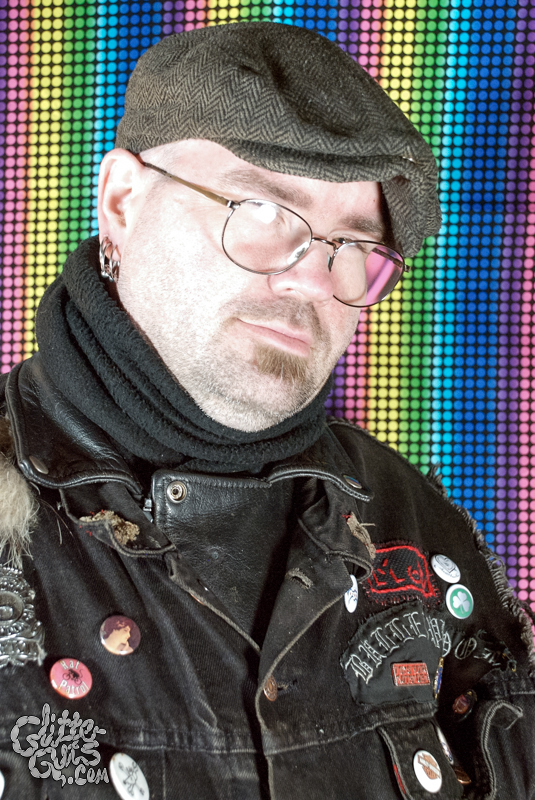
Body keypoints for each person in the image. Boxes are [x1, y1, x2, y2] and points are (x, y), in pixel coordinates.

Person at [0, 21, 533, 800]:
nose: (313, 280)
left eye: (352, 245)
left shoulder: (416, 522)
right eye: (260, 211)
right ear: (121, 202)